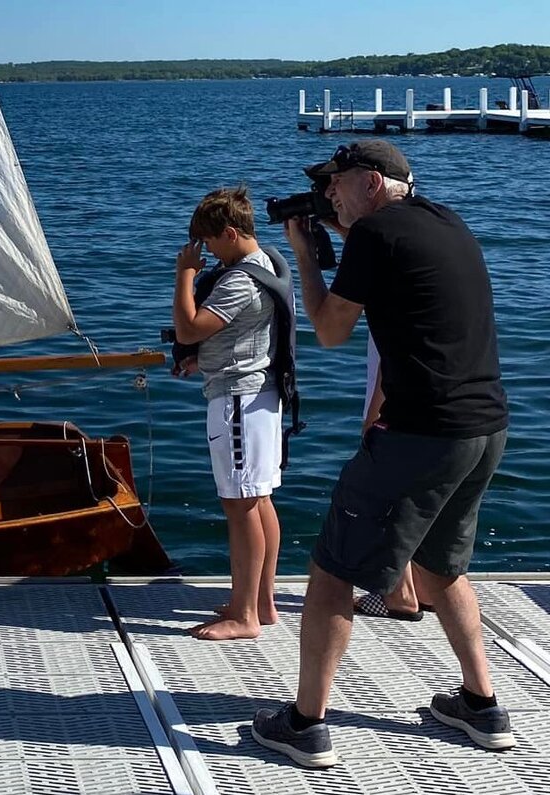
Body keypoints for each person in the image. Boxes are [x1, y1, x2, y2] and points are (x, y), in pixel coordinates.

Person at [252, 140, 513, 767]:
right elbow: (422, 324)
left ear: (372, 182)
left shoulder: (377, 238)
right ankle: (483, 707)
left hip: (420, 436)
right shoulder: (445, 222)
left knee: (333, 570)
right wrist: (341, 235)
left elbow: (332, 330)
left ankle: (305, 724)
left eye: (336, 183)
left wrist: (307, 261)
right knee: (441, 567)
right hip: (483, 429)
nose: (328, 195)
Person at [173, 185, 285, 641]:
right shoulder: (271, 263)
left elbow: (188, 326)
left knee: (238, 506)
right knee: (258, 500)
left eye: (211, 243)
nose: (207, 256)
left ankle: (244, 616)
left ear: (232, 232)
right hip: (259, 393)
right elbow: (250, 334)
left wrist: (184, 275)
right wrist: (210, 358)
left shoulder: (240, 278)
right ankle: (262, 602)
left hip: (238, 400)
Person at [353, 335, 432, 621]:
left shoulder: (393, 291)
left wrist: (373, 418)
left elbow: (392, 353)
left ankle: (400, 593)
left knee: (387, 499)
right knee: (420, 498)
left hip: (395, 410)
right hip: (437, 408)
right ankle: (424, 587)